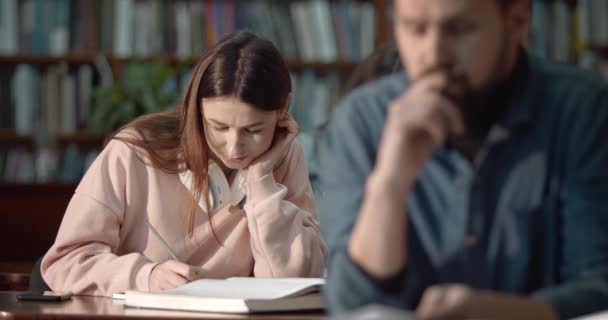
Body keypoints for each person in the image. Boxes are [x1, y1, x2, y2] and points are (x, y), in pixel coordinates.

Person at [317, 0, 608, 319]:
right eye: (415, 28)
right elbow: (351, 302)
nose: (434, 55)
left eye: (459, 29)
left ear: (518, 20)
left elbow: (597, 283)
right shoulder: (362, 120)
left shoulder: (582, 110)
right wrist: (389, 184)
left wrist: (504, 314)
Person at [41, 31, 326, 297]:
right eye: (219, 126)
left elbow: (293, 282)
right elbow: (66, 262)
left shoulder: (282, 155)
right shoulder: (132, 152)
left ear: (283, 110)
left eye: (253, 130)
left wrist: (262, 180)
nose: (234, 147)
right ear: (196, 108)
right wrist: (145, 277)